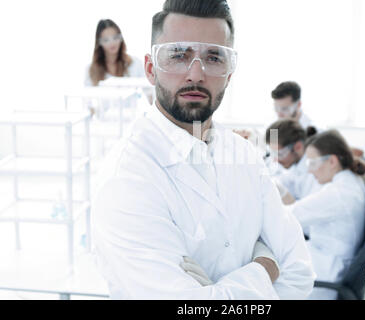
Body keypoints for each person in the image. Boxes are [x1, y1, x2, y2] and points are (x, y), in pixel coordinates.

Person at [91, 0, 315, 299]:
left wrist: (217, 292)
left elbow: (300, 273)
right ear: (150, 69)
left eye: (213, 57)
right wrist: (264, 265)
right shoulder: (127, 178)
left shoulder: (243, 153)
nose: (196, 74)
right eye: (178, 55)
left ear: (229, 74)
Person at [285, 129, 365, 300]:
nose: (310, 171)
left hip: (326, 274)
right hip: (326, 260)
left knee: (262, 273)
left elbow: (289, 216)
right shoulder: (349, 182)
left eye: (312, 164)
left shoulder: (338, 193)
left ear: (332, 161)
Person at [265, 119, 321, 204]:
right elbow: (282, 182)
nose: (276, 160)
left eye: (280, 154)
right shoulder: (294, 167)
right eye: (273, 154)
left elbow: (307, 212)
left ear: (298, 147)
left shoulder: (316, 173)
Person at [84, 19, 144, 86]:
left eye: (115, 37)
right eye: (106, 40)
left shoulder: (135, 63)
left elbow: (148, 92)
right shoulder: (91, 69)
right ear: (99, 43)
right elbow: (88, 94)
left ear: (121, 38)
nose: (112, 43)